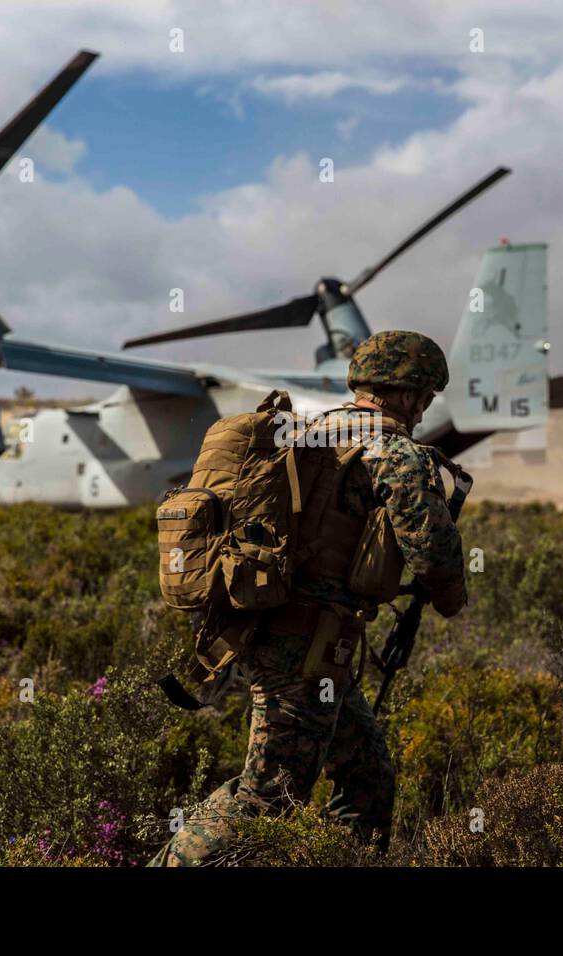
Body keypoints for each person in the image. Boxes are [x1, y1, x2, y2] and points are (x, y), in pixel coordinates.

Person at [150, 330, 468, 866]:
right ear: (409, 393)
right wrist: (452, 595)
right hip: (305, 647)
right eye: (426, 397)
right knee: (267, 795)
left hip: (294, 638)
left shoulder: (313, 432)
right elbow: (432, 548)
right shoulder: (393, 450)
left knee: (368, 773)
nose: (424, 410)